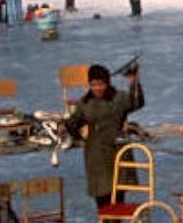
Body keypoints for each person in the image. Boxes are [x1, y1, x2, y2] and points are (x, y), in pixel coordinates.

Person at [62, 63, 145, 212]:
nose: (97, 88)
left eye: (101, 84)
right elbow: (73, 123)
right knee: (101, 197)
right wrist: (67, 129)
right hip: (96, 156)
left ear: (107, 83)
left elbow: (137, 102)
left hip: (118, 151)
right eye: (93, 85)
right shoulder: (84, 103)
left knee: (118, 196)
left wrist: (134, 80)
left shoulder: (119, 98)